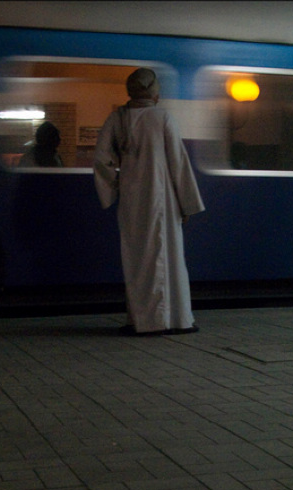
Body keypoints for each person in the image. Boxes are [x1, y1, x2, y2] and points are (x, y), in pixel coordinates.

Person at [94, 67, 205, 335]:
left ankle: (141, 320)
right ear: (154, 92)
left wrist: (115, 187)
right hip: (164, 199)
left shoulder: (116, 119)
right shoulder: (163, 118)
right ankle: (176, 320)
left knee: (137, 260)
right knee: (169, 258)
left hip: (132, 201)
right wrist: (187, 203)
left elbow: (101, 159)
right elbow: (178, 163)